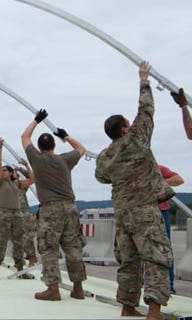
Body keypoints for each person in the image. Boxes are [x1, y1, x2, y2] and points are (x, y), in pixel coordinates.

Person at [96, 62, 174, 319]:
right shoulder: (135, 140)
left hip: (122, 214)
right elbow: (147, 110)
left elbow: (101, 177)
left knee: (128, 261)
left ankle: (128, 307)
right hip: (144, 210)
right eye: (129, 125)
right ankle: (153, 309)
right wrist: (144, 80)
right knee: (156, 258)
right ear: (125, 129)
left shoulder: (105, 156)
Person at [22, 108, 87, 301]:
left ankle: (53, 289)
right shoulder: (65, 159)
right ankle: (78, 288)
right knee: (73, 249)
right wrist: (66, 136)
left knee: (49, 249)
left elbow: (25, 137)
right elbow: (81, 150)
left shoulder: (37, 159)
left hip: (51, 210)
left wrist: (36, 120)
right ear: (53, 146)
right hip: (70, 208)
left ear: (40, 147)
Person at [0, 138, 35, 280]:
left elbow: (32, 179)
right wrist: (0, 147)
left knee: (19, 242)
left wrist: (26, 166)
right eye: (2, 170)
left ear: (10, 173)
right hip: (4, 214)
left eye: (5, 170)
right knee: (0, 242)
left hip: (17, 215)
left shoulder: (17, 183)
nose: (2, 171)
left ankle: (20, 269)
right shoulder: (0, 183)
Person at [158, 165, 184, 294]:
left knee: (165, 249)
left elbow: (179, 179)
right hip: (138, 211)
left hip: (161, 212)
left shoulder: (158, 168)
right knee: (139, 250)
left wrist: (159, 182)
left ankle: (169, 285)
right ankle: (141, 284)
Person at [14, 162, 38, 267]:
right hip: (14, 215)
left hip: (24, 214)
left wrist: (20, 169)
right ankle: (20, 261)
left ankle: (32, 257)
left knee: (27, 237)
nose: (16, 173)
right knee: (17, 239)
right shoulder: (7, 185)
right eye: (14, 171)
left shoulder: (21, 185)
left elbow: (31, 177)